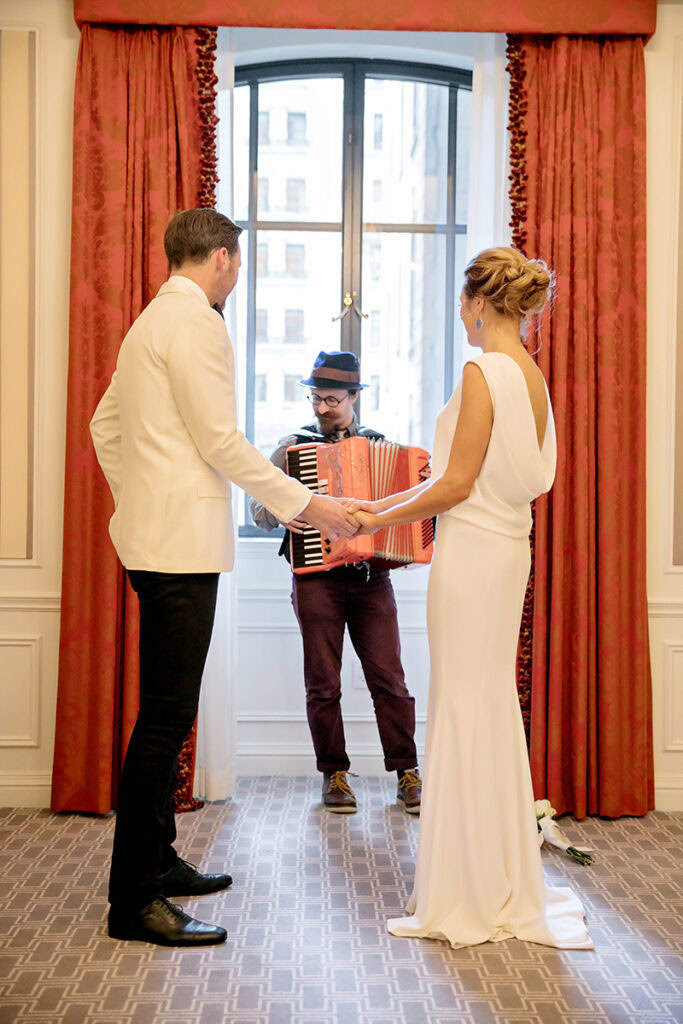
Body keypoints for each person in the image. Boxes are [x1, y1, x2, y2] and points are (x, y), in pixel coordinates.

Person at [90, 210, 359, 948]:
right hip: (177, 548)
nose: (237, 275)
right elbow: (218, 440)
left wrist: (143, 496)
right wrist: (308, 506)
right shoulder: (200, 323)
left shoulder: (149, 321)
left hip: (154, 539)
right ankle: (132, 901)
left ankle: (160, 861)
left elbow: (103, 429)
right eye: (237, 263)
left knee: (164, 716)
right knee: (164, 724)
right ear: (221, 257)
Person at [350, 247, 593, 949]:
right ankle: (496, 876)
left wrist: (375, 514)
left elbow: (454, 485)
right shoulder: (531, 375)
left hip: (472, 555)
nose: (460, 313)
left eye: (462, 301)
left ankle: (466, 893)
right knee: (487, 703)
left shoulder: (482, 370)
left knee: (463, 703)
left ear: (479, 303)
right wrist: (385, 506)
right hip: (505, 552)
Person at [249, 351, 422, 815]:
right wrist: (295, 508)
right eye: (315, 397)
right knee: (322, 682)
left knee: (390, 679)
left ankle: (407, 771)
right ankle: (335, 775)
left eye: (331, 399)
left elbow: (397, 515)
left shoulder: (379, 445)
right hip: (316, 582)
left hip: (371, 580)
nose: (321, 408)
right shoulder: (292, 448)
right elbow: (259, 513)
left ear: (354, 397)